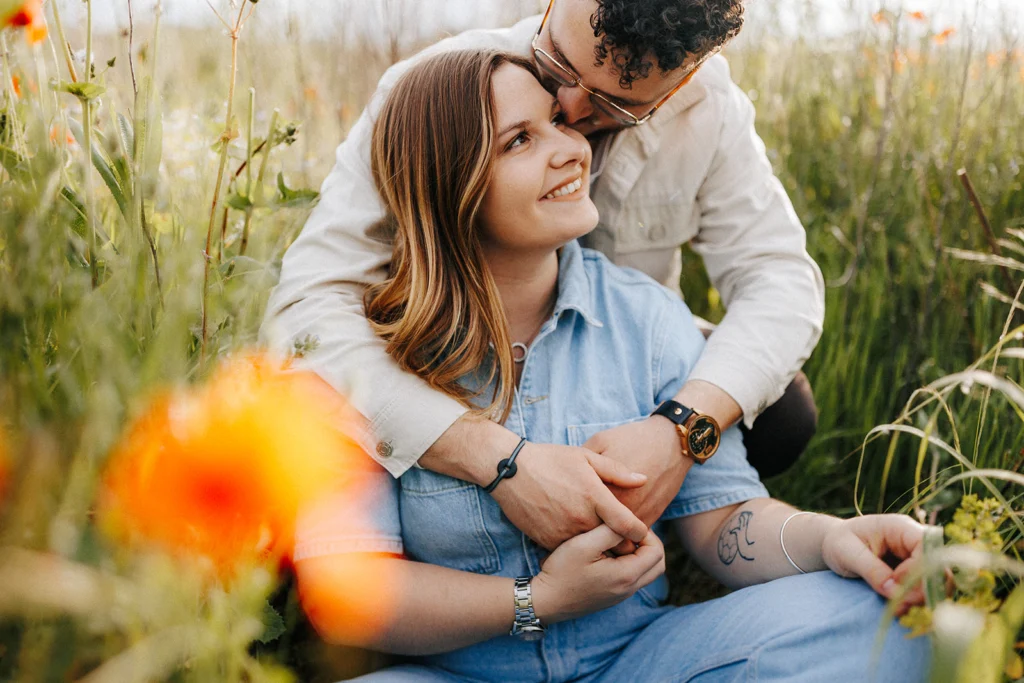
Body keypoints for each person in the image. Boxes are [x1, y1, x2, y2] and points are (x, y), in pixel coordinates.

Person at [292, 49, 930, 683]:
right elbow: (348, 596)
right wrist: (538, 601)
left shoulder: (646, 320)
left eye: (557, 121)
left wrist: (831, 540)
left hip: (643, 663)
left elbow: (726, 521)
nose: (571, 149)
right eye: (519, 141)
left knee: (883, 618)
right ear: (448, 186)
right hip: (457, 674)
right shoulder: (370, 356)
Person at [261, 0, 825, 556]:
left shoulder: (712, 110)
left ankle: (665, 524)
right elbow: (308, 310)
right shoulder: (433, 94)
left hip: (627, 379)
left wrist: (679, 428)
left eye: (614, 104)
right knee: (309, 420)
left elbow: (779, 278)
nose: (571, 111)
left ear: (681, 81)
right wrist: (496, 458)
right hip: (461, 363)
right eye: (557, 62)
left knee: (781, 410)